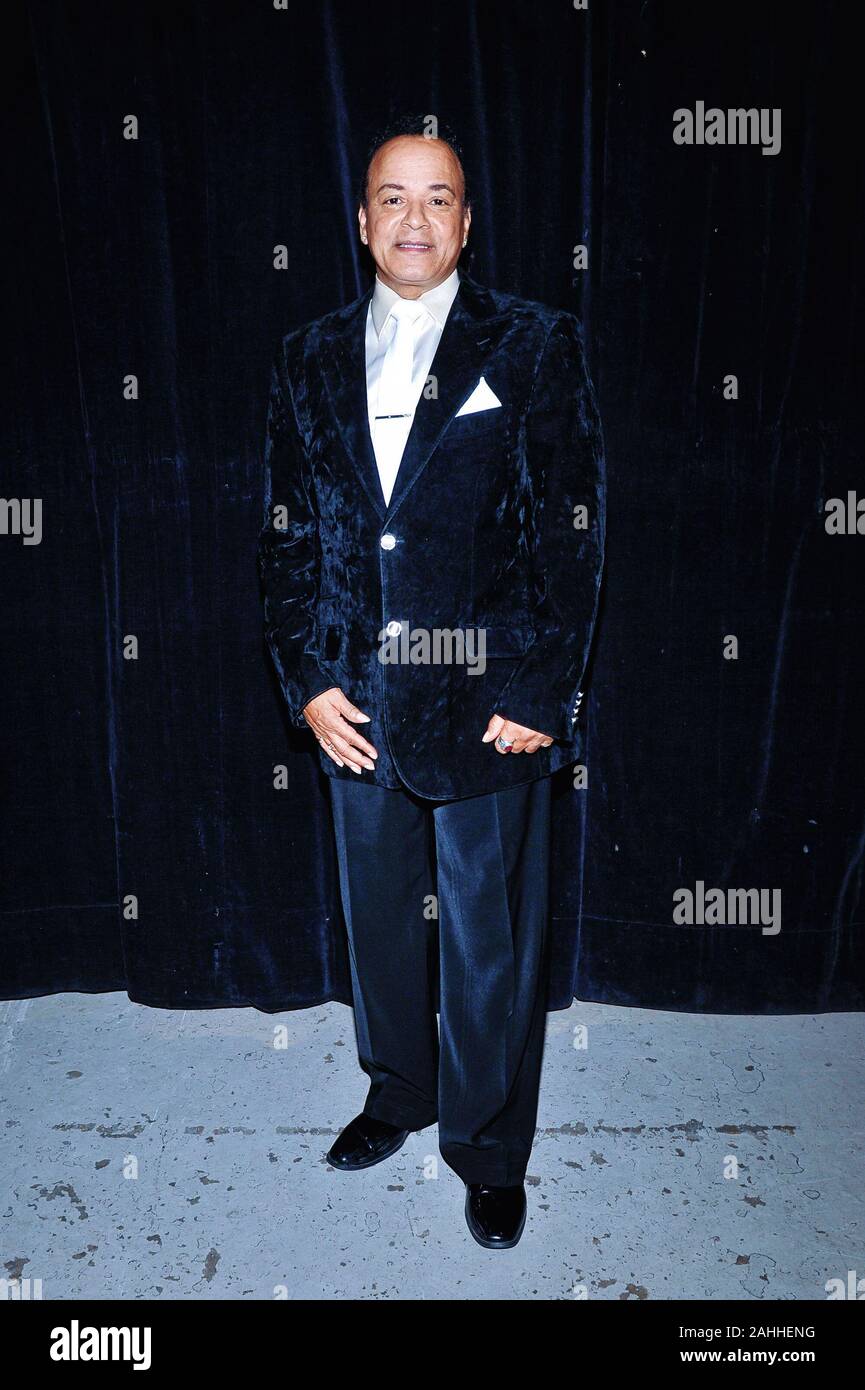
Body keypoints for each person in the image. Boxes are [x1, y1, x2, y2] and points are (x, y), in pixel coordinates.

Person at [258, 115, 605, 1249]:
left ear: (466, 221)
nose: (414, 218)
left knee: (489, 937)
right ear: (361, 222)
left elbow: (570, 533)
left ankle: (488, 1147)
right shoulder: (305, 355)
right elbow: (290, 533)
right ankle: (398, 1093)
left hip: (488, 702)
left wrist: (543, 692)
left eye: (438, 197)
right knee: (378, 926)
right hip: (354, 702)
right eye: (392, 198)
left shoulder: (537, 344)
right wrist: (307, 679)